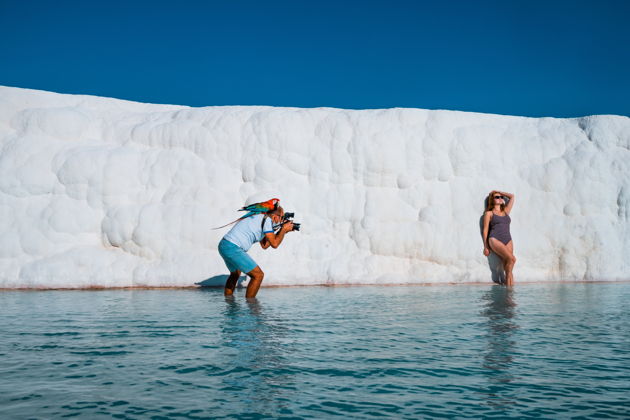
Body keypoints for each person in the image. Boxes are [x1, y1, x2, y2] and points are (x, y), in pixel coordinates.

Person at [218, 205, 294, 298]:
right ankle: (251, 307)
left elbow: (265, 245)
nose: (282, 220)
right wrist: (283, 229)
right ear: (274, 216)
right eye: (282, 217)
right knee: (258, 275)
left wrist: (282, 231)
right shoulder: (267, 220)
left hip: (224, 245)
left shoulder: (262, 219)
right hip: (233, 247)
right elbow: (275, 244)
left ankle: (228, 302)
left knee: (235, 274)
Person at [482, 191, 516, 286]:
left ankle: (508, 290)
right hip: (495, 238)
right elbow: (485, 230)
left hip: (508, 238)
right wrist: (486, 246)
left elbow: (512, 196)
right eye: (497, 197)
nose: (500, 198)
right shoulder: (489, 213)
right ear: (492, 200)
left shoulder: (505, 211)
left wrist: (499, 192)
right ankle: (509, 285)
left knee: (508, 261)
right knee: (512, 259)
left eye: (501, 197)